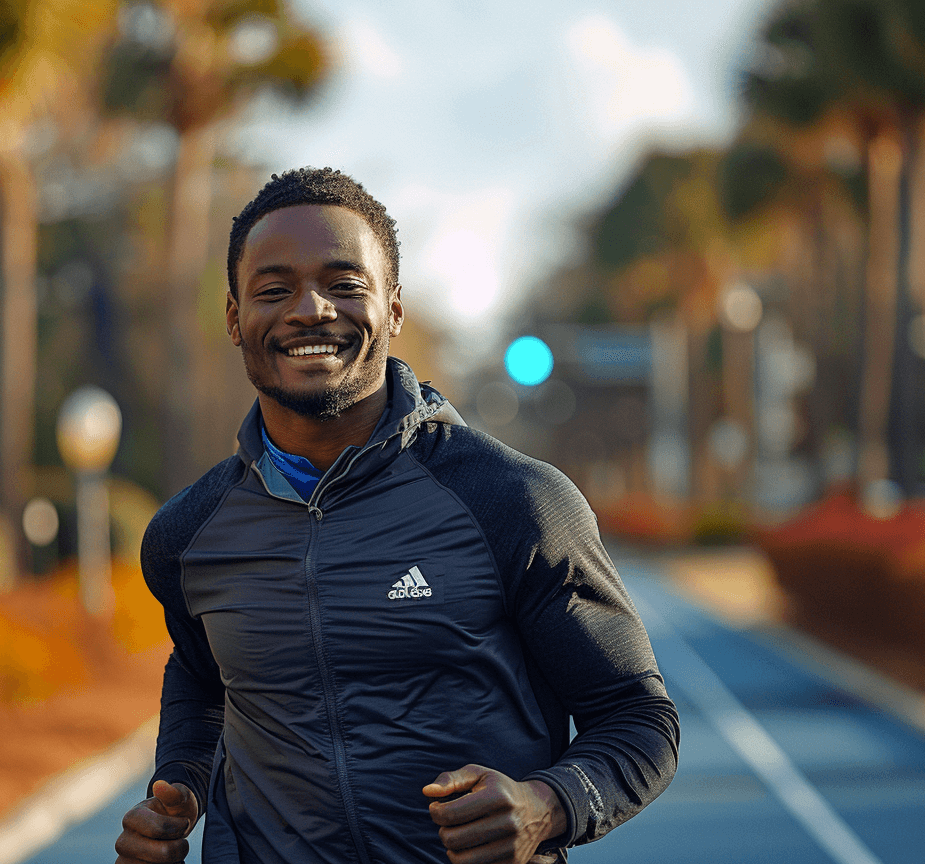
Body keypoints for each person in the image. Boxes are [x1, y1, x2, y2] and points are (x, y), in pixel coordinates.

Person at [115, 168, 678, 864]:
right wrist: (180, 792)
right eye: (274, 289)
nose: (310, 309)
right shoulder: (188, 534)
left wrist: (546, 806)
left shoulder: (515, 502)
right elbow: (202, 680)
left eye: (345, 285)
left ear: (395, 309)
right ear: (235, 317)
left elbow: (639, 719)